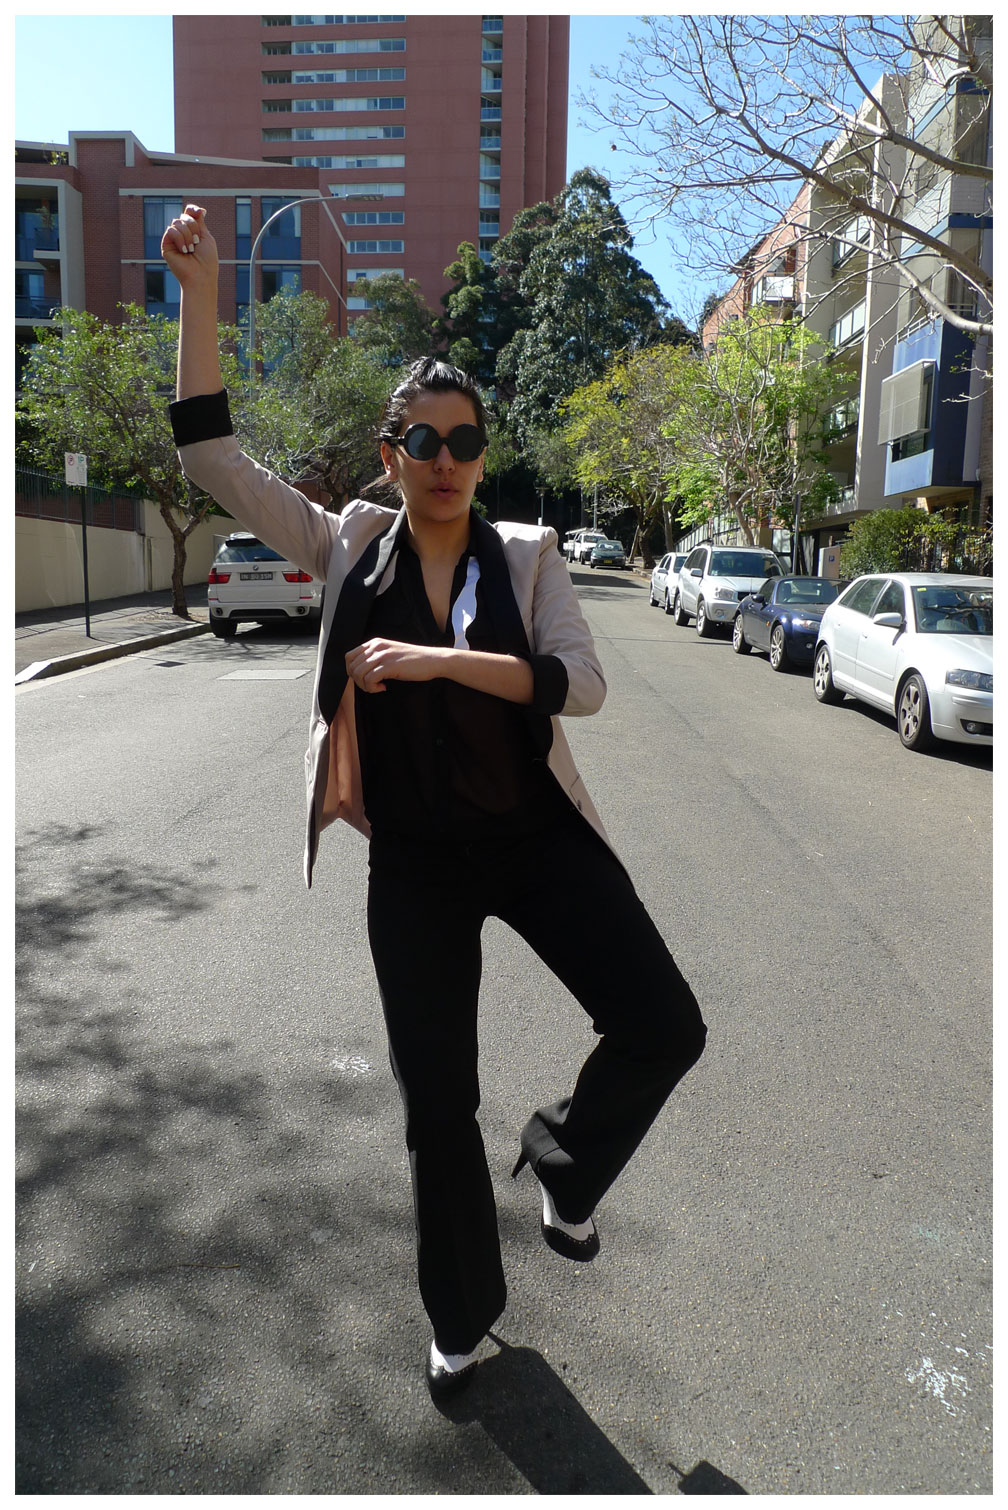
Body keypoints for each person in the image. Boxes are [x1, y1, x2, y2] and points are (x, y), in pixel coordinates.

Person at [162, 205, 707, 1402]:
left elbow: (583, 686)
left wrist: (437, 661)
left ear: (482, 451)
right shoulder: (348, 544)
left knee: (665, 1022)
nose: (446, 458)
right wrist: (201, 298)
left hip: (535, 840)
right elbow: (212, 459)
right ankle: (460, 1315)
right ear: (392, 448)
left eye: (464, 440)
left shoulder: (529, 557)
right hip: (413, 864)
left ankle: (564, 1166)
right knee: (438, 1106)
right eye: (424, 438)